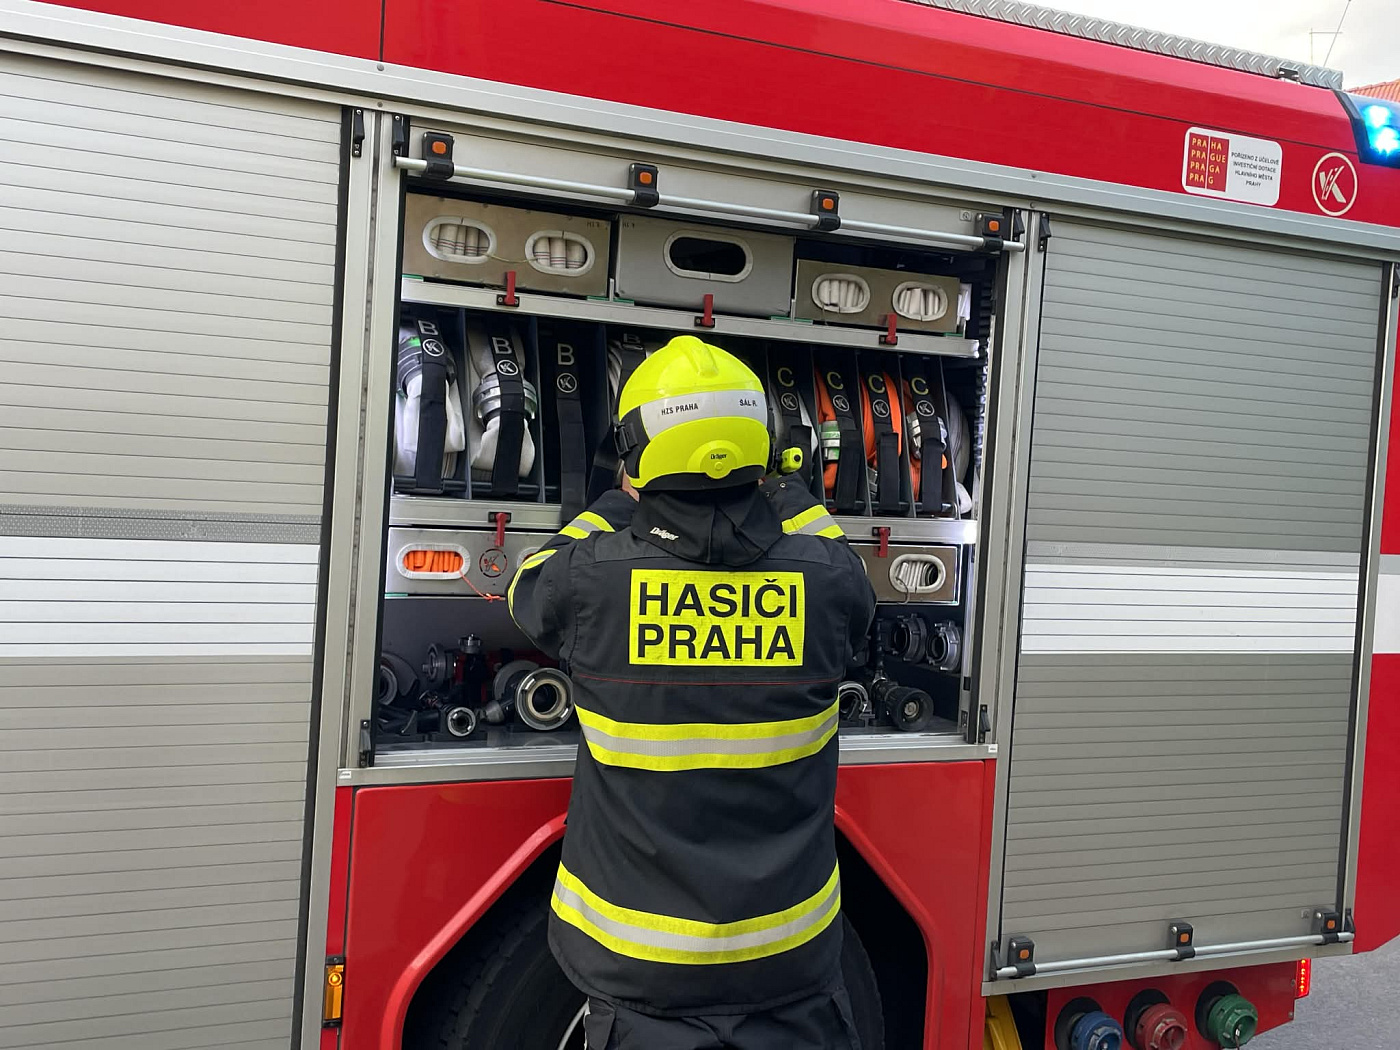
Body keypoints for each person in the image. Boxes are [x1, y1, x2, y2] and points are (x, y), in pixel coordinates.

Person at [509, 334, 877, 1049]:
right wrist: (789, 496)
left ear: (638, 451)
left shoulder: (589, 582)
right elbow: (850, 574)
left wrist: (615, 501)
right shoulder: (827, 581)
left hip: (640, 973)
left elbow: (529, 583)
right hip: (788, 966)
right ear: (760, 445)